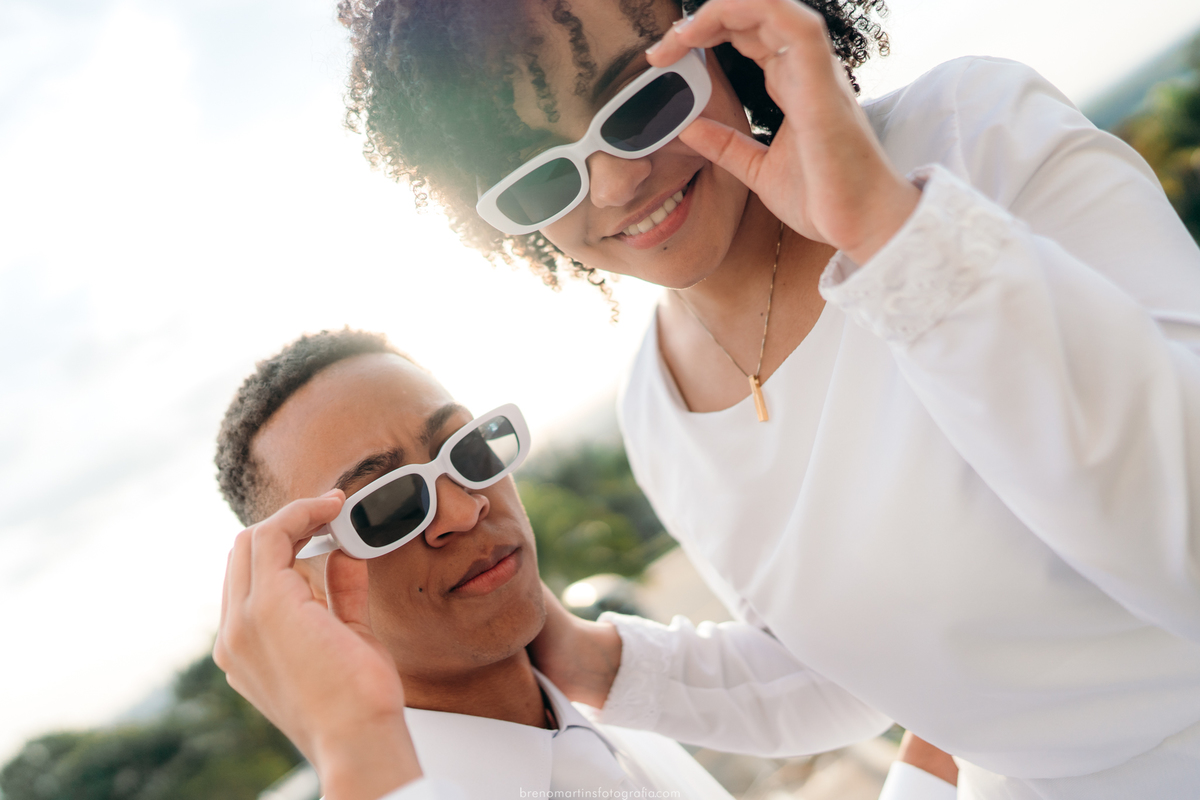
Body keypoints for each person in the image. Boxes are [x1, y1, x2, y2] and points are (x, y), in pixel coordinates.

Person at [334, 0, 1200, 798]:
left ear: (723, 31)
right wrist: (592, 661)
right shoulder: (656, 411)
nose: (612, 185)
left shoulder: (974, 132)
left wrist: (889, 231)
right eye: (539, 179)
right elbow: (856, 674)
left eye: (640, 104)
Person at [212, 328, 956, 800]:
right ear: (303, 587)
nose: (466, 509)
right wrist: (350, 745)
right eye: (385, 508)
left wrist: (599, 664)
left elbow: (861, 673)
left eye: (467, 453)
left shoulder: (605, 730)